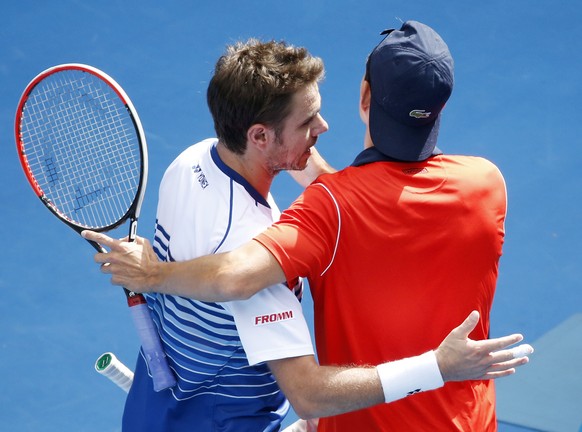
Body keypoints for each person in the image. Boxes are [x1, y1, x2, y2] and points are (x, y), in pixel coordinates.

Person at [84, 25, 533, 432]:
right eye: (308, 121)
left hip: (158, 408)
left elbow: (339, 207)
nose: (323, 126)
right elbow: (305, 388)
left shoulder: (192, 162)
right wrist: (437, 366)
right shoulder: (488, 183)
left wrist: (153, 273)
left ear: (365, 96)